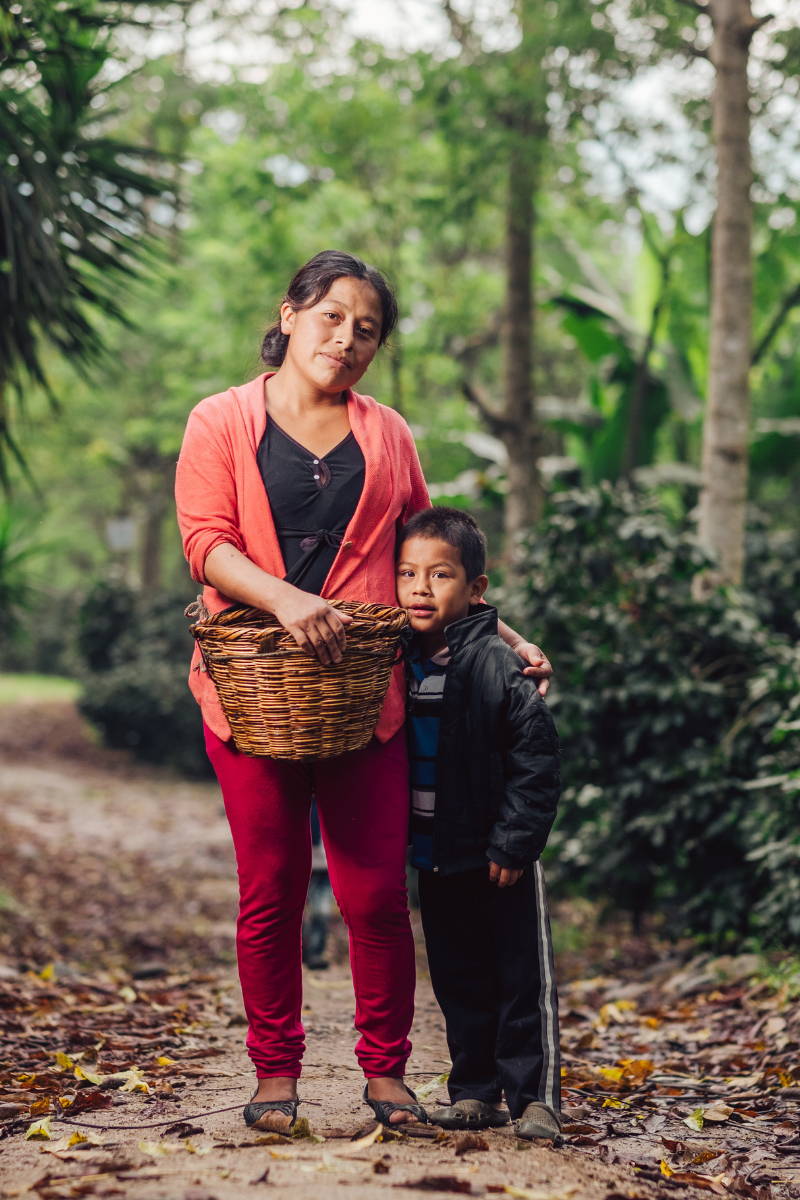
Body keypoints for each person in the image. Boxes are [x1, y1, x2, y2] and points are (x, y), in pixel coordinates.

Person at [174, 249, 553, 1133]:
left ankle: (385, 1074)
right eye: (332, 317)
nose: (346, 340)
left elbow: (428, 559)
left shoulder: (387, 434)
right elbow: (205, 542)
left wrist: (504, 634)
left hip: (365, 700)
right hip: (251, 697)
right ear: (291, 313)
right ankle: (275, 1075)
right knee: (267, 892)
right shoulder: (221, 421)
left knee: (376, 895)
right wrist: (286, 600)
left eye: (367, 330)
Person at [396, 506, 562, 1141]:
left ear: (476, 589)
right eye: (408, 574)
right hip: (437, 853)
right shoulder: (398, 661)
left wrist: (516, 841)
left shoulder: (499, 665)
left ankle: (533, 1098)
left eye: (440, 575)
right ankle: (473, 1090)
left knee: (520, 977)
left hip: (499, 855)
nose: (420, 588)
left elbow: (536, 760)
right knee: (457, 974)